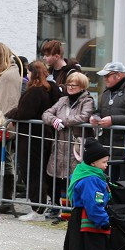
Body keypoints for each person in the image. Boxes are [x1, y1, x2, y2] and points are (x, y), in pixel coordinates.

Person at [6, 60, 57, 219]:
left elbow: (24, 113)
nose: (27, 75)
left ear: (33, 74)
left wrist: (10, 114)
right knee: (39, 172)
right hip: (40, 136)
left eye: (28, 72)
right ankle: (42, 207)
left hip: (32, 138)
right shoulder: (47, 89)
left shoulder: (35, 91)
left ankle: (38, 209)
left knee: (32, 172)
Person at [62, 139, 111, 250]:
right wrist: (103, 221)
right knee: (90, 248)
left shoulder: (86, 172)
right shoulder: (91, 180)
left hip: (82, 216)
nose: (106, 165)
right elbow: (94, 204)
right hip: (88, 219)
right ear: (93, 163)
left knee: (83, 249)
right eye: (104, 162)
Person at [43, 71, 95, 210]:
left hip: (76, 145)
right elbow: (46, 113)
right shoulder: (62, 100)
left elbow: (84, 117)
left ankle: (72, 211)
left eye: (75, 85)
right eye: (69, 84)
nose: (71, 87)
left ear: (82, 86)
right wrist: (53, 120)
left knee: (73, 178)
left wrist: (64, 122)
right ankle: (58, 208)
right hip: (60, 144)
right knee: (58, 178)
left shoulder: (87, 100)